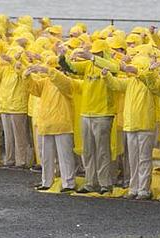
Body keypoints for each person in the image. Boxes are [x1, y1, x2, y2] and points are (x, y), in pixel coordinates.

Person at [105, 55, 160, 200]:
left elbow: (150, 80)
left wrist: (139, 71)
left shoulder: (150, 81)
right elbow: (116, 84)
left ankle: (143, 189)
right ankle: (134, 187)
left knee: (144, 158)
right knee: (133, 159)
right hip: (131, 126)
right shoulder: (131, 82)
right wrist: (106, 76)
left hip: (145, 124)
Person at [67, 41, 118, 194]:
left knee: (102, 151)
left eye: (98, 53)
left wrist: (92, 57)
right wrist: (64, 55)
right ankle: (90, 182)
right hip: (86, 113)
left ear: (103, 53)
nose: (95, 55)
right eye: (94, 53)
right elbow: (72, 68)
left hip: (103, 113)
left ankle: (105, 183)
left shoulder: (109, 64)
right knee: (88, 151)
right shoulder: (88, 65)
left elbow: (115, 69)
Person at [25, 56, 79, 192]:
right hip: (47, 123)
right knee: (46, 157)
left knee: (65, 156)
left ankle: (68, 183)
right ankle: (46, 181)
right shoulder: (46, 82)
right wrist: (26, 77)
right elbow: (33, 89)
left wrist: (48, 71)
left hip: (62, 124)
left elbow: (62, 82)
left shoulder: (67, 81)